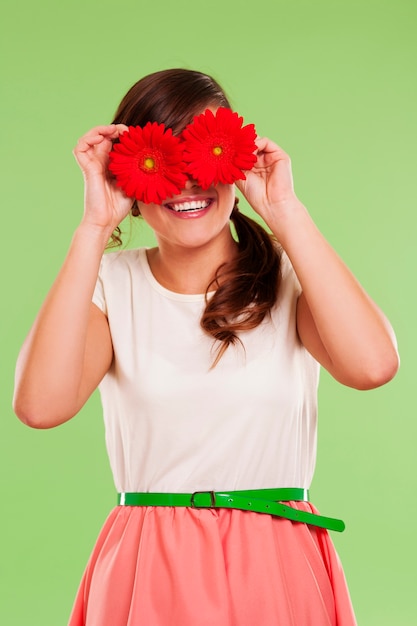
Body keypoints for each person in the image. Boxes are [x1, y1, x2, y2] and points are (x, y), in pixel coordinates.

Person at [13, 68, 399, 626]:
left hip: (275, 557)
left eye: (204, 158)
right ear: (130, 176)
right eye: (162, 161)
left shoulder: (292, 279)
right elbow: (40, 407)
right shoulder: (108, 285)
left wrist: (286, 213)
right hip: (148, 560)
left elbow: (372, 366)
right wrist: (93, 227)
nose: (188, 183)